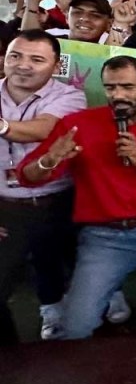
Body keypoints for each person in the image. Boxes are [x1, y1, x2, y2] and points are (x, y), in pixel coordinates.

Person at [17, 56, 136, 339]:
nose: (118, 95)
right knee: (75, 327)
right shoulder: (77, 125)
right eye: (110, 87)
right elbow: (27, 176)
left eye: (127, 87)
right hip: (104, 238)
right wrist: (49, 159)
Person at [0, 32, 86, 344]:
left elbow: (45, 129)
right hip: (6, 203)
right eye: (15, 56)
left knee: (62, 263)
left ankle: (58, 312)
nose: (23, 65)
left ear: (56, 65)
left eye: (36, 59)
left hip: (59, 199)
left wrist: (3, 126)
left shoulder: (70, 96)